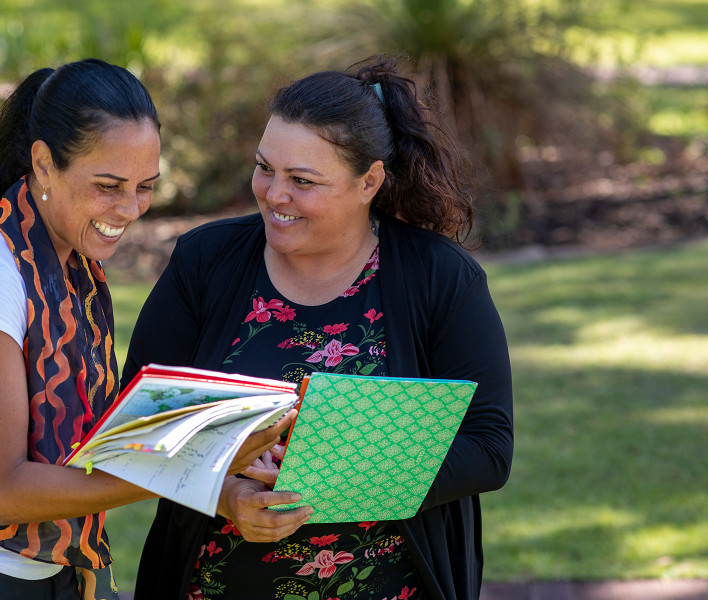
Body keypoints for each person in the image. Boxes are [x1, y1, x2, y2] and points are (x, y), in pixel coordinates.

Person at [0, 58, 294, 600]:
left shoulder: (72, 271)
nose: (129, 209)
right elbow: (4, 489)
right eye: (108, 185)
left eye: (146, 187)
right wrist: (195, 460)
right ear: (44, 163)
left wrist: (222, 478)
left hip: (58, 579)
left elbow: (98, 453)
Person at [124, 55, 514, 600]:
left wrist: (336, 473)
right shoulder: (204, 262)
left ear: (369, 181)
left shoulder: (440, 278)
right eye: (265, 168)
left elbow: (489, 446)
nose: (274, 195)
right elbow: (136, 426)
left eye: (302, 180)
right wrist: (227, 494)